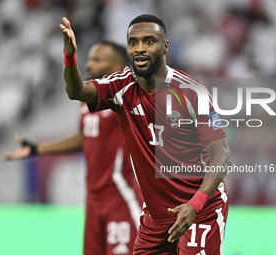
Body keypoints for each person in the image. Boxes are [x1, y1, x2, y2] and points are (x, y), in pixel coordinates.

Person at [60, 14, 232, 255]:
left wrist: (195, 204)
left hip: (200, 210)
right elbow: (76, 91)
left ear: (165, 47)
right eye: (133, 42)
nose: (140, 48)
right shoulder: (121, 86)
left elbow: (222, 156)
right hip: (156, 216)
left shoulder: (192, 92)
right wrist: (70, 56)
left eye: (149, 41)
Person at [3, 41, 143, 255]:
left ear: (120, 66)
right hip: (94, 202)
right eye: (88, 59)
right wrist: (38, 149)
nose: (89, 65)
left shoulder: (128, 97)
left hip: (121, 199)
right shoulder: (89, 102)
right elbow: (85, 136)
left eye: (97, 59)